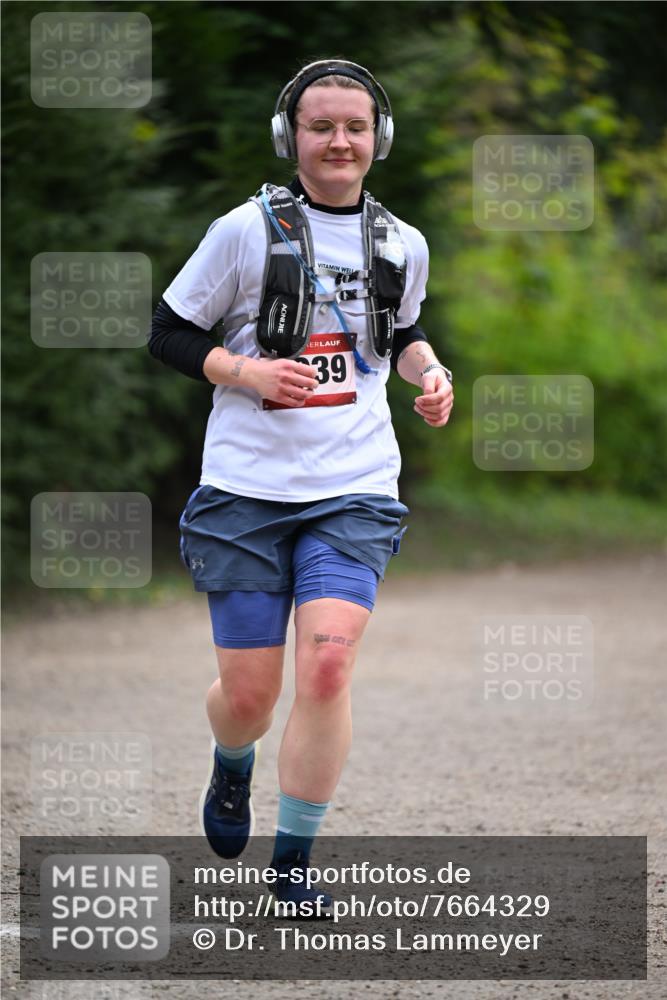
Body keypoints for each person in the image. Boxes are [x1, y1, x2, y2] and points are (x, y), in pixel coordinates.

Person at [149, 59, 454, 913]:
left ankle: (292, 866)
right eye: (321, 126)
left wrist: (430, 374)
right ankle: (232, 759)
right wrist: (244, 372)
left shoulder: (402, 241)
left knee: (326, 665)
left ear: (378, 138)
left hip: (353, 484)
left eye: (354, 126)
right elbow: (167, 332)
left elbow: (404, 332)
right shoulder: (242, 231)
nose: (339, 141)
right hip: (245, 490)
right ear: (292, 138)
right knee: (250, 697)